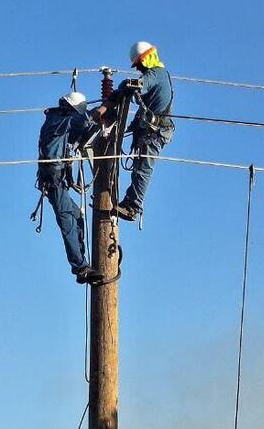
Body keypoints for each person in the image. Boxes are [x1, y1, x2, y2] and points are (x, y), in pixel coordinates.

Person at [94, 41, 174, 221]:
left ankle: (133, 206)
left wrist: (126, 87)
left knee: (143, 169)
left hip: (155, 131)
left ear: (146, 59)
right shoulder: (158, 75)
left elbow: (139, 84)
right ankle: (129, 202)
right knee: (139, 169)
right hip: (149, 130)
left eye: (139, 65)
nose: (139, 69)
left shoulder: (156, 74)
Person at [36, 91, 103, 285]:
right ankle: (81, 268)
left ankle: (83, 261)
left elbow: (79, 130)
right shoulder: (59, 120)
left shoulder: (59, 120)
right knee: (67, 220)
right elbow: (83, 121)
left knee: (77, 216)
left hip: (57, 180)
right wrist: (107, 106)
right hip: (54, 180)